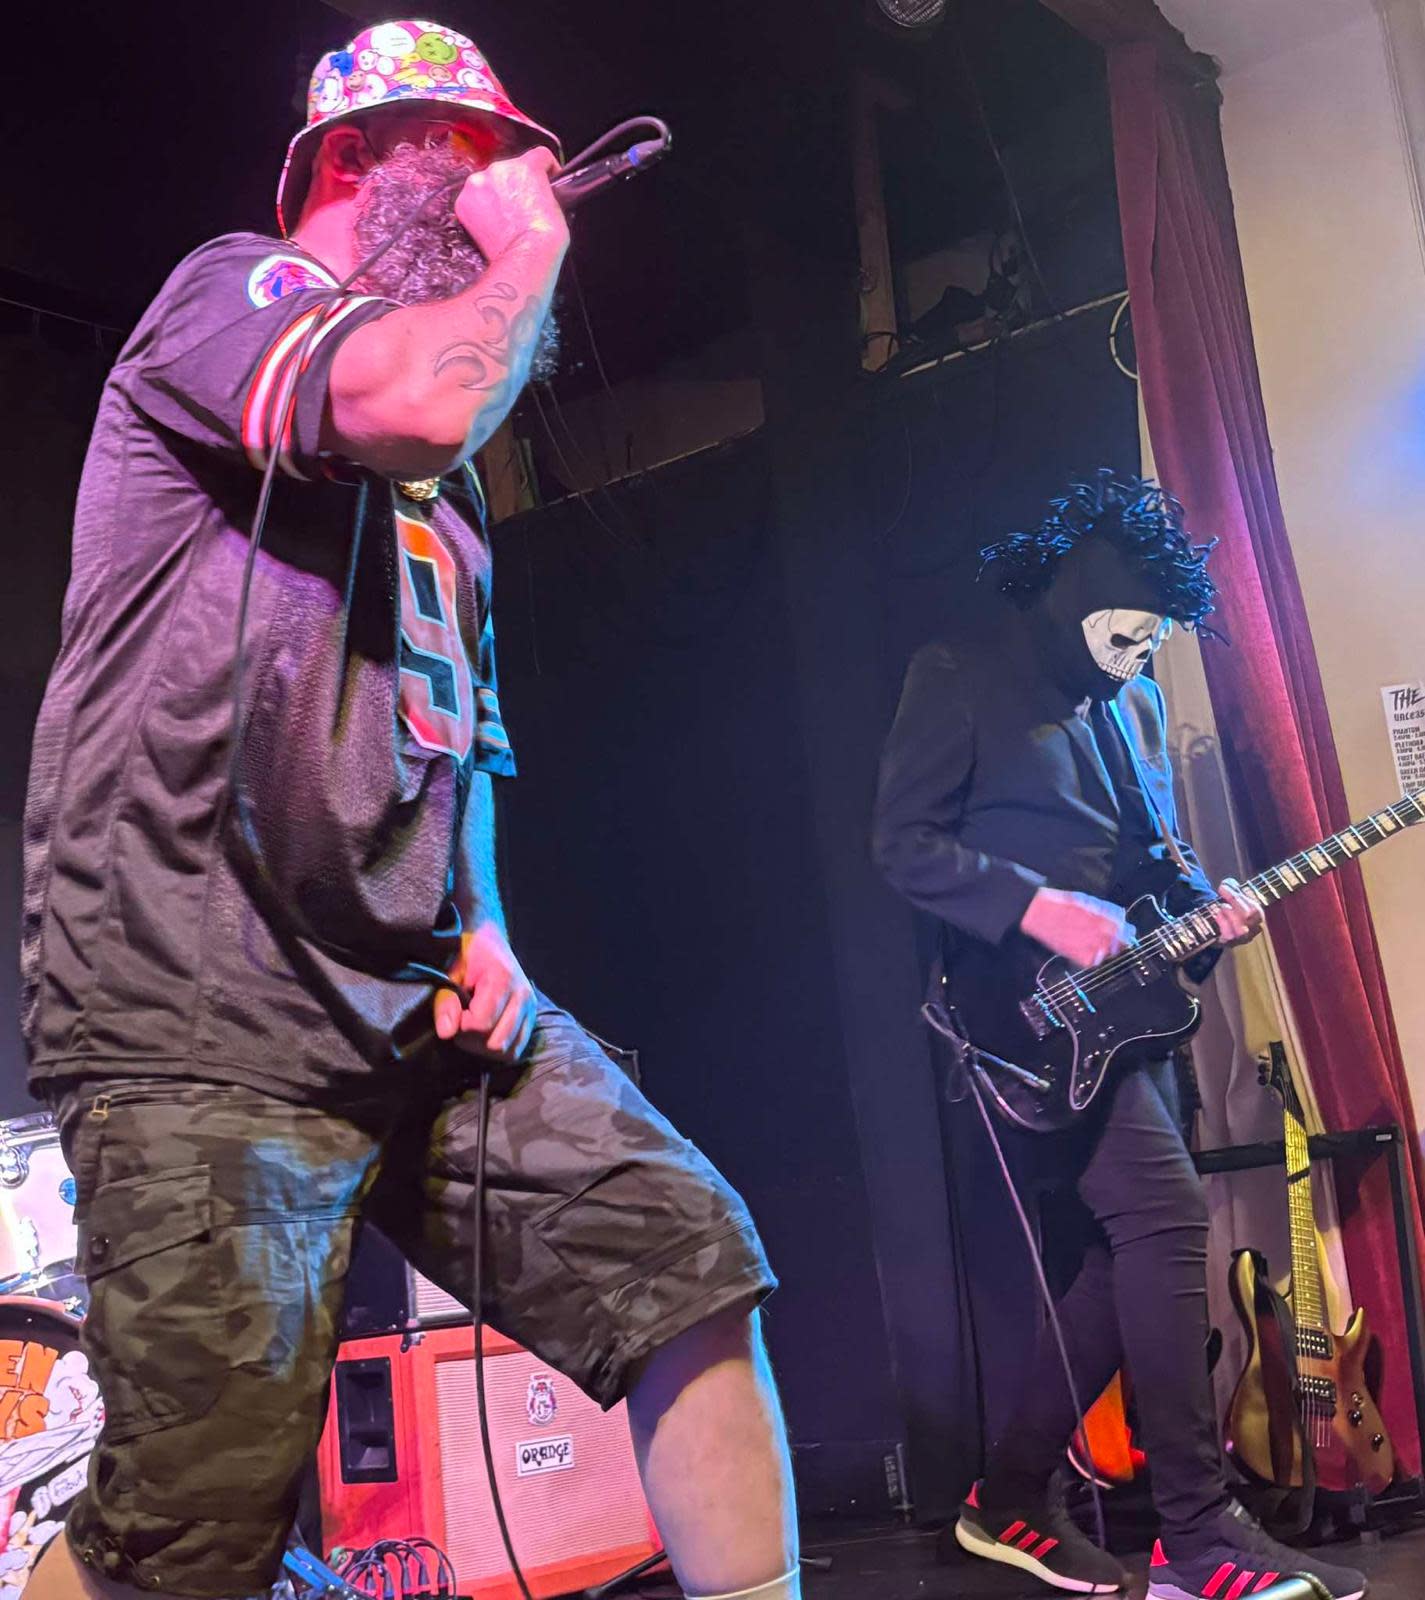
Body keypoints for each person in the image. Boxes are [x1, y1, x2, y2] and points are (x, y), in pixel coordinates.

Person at [21, 21, 798, 1600]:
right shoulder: (235, 295)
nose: (507, 185)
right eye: (469, 151)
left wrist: (486, 921)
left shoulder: (454, 489)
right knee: (191, 1525)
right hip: (195, 996)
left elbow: (459, 724)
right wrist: (530, 253)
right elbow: (414, 404)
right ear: (354, 159)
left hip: (417, 998)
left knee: (686, 1266)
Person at [872, 473, 1367, 1600]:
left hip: (1130, 1013)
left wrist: (1206, 909)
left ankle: (1007, 1493)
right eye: (1124, 635)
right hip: (1019, 1015)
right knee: (1168, 1218)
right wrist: (1036, 906)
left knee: (1121, 1257)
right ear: (1075, 603)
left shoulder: (1130, 706)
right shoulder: (959, 675)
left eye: (1152, 643)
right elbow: (901, 846)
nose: (1136, 658)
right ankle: (1197, 1535)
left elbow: (1152, 855)